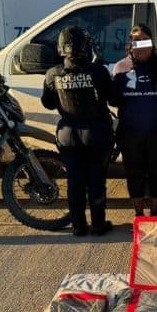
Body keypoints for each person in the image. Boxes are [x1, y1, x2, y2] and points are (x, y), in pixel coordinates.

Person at [41, 26, 114, 236]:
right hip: (96, 133)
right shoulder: (98, 71)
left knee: (74, 182)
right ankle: (98, 224)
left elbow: (47, 103)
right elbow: (113, 98)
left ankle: (78, 226)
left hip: (68, 135)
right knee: (96, 181)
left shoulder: (52, 73)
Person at [111, 24, 157, 217]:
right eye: (136, 41)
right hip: (130, 135)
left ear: (152, 43)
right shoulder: (121, 68)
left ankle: (154, 213)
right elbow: (114, 99)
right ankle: (138, 214)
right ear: (130, 45)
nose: (141, 45)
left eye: (145, 41)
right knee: (134, 174)